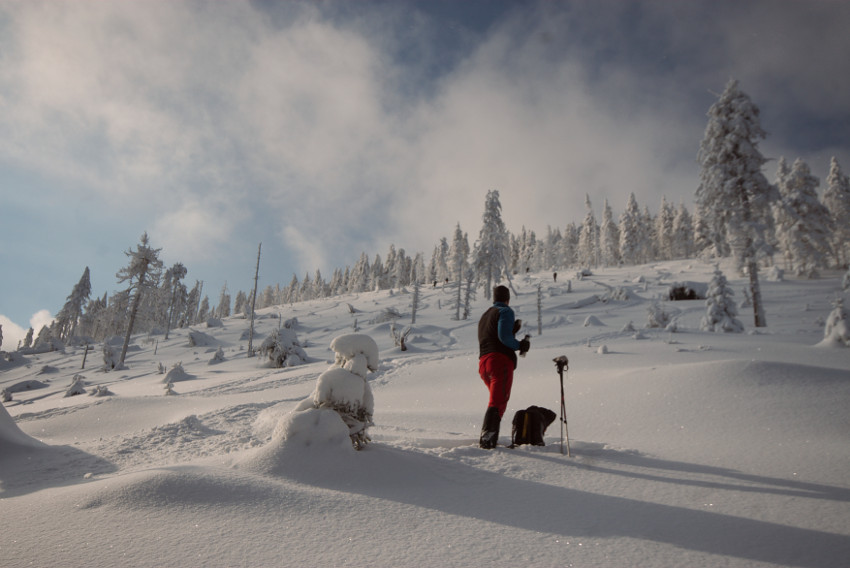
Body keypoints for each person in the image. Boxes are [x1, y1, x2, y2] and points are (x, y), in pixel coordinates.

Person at [477, 285, 530, 449]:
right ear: (507, 299)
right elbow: (504, 337)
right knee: (498, 401)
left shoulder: (485, 315)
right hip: (499, 361)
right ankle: (487, 442)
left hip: (483, 363)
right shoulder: (506, 311)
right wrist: (520, 344)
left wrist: (511, 331)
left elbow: (492, 335)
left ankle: (489, 439)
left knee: (496, 400)